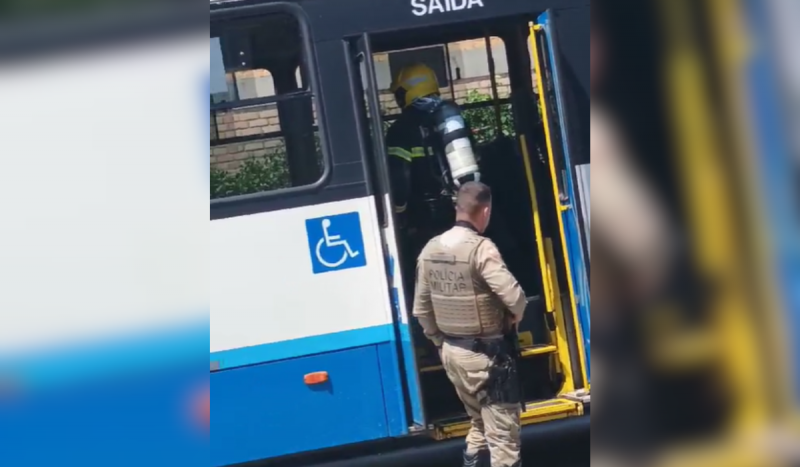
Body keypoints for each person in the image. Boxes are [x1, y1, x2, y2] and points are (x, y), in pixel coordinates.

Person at [412, 181, 527, 467]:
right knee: (504, 440)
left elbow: (421, 310)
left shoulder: (430, 250)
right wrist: (516, 315)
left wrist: (440, 341)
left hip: (453, 354)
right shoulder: (480, 249)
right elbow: (515, 298)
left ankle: (473, 459)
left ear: (457, 209)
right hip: (487, 357)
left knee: (479, 422)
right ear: (485, 211)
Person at [385, 63, 482, 296]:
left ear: (407, 92)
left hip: (423, 220)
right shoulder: (450, 119)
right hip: (460, 211)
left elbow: (400, 179)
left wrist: (398, 215)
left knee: (429, 278)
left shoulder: (401, 130)